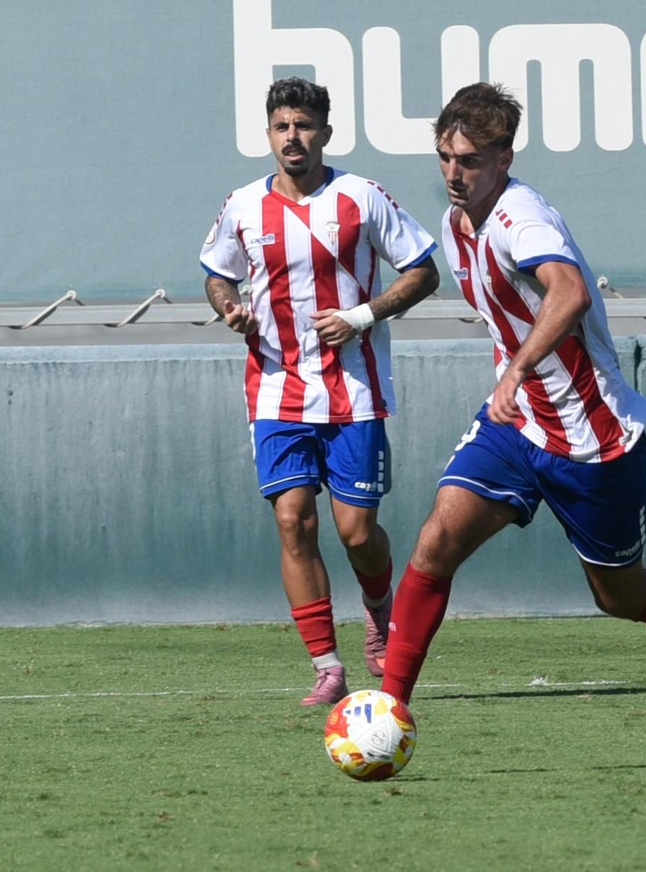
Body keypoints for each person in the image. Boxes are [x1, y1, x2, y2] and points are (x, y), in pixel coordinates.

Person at [376, 82, 646, 706]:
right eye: (446, 158)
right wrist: (515, 382)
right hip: (517, 424)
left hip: (592, 437)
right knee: (435, 543)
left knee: (621, 596)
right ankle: (390, 706)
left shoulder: (520, 217)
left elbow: (570, 293)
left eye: (470, 160)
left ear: (504, 158)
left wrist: (516, 369)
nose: (454, 174)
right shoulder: (456, 223)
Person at [199, 77, 440, 706]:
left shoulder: (361, 197)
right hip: (275, 388)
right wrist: (230, 309)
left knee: (357, 533)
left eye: (304, 126)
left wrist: (360, 316)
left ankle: (379, 607)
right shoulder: (243, 206)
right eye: (282, 126)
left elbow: (423, 272)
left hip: (354, 389)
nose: (293, 137)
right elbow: (218, 276)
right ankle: (327, 666)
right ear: (268, 135)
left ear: (325, 133)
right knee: (292, 521)